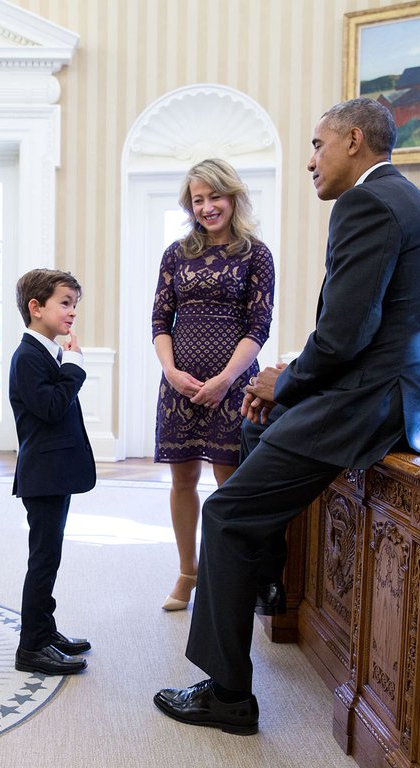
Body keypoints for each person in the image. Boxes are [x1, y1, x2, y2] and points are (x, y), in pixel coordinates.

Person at [154, 98, 420, 735]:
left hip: (370, 405)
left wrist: (283, 379)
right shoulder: (417, 205)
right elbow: (363, 329)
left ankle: (229, 694)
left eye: (317, 145)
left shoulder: (367, 204)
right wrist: (278, 386)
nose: (310, 161)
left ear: (354, 140)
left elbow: (346, 332)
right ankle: (269, 585)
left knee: (227, 512)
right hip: (402, 398)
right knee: (253, 423)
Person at [151, 158, 274, 611]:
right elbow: (160, 320)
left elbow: (258, 326)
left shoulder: (255, 254)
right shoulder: (175, 253)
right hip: (178, 386)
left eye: (214, 197)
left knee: (229, 483)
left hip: (233, 387)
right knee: (183, 478)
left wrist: (225, 380)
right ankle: (188, 573)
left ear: (233, 197)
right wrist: (169, 370)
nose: (206, 207)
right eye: (198, 200)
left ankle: (226, 578)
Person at [9, 268, 97, 676]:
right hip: (41, 476)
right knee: (43, 560)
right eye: (65, 303)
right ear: (35, 306)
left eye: (74, 304)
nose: (72, 312)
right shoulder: (27, 356)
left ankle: (45, 630)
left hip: (53, 473)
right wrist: (75, 367)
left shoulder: (47, 351)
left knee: (51, 555)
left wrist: (67, 363)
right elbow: (50, 407)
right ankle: (31, 648)